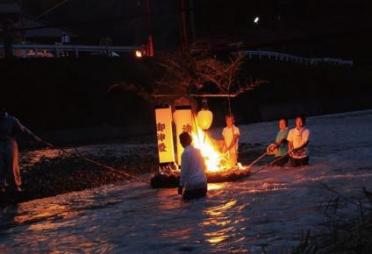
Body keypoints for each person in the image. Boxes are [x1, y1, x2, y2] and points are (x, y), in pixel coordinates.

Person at [0, 108, 43, 192]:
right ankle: (2, 185)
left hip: (9, 142)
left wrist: (37, 139)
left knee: (12, 164)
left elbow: (24, 130)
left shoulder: (11, 120)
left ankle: (16, 186)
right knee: (1, 165)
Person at [178, 132, 207, 200]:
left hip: (193, 185)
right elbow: (204, 166)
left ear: (182, 142)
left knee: (185, 205)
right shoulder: (198, 151)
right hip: (203, 183)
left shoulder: (185, 154)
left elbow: (184, 172)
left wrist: (180, 186)